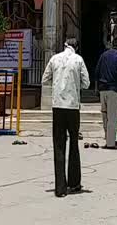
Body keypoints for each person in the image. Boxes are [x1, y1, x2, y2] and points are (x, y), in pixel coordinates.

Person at [41, 38, 90, 197]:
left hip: (58, 107)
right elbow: (86, 83)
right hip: (72, 106)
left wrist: (57, 85)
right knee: (74, 143)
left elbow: (44, 79)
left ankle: (60, 188)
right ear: (76, 47)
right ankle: (74, 182)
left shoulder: (54, 58)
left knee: (59, 145)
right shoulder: (78, 59)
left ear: (65, 46)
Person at [95, 38, 117, 149]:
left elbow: (97, 72)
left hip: (102, 89)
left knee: (105, 115)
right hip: (114, 90)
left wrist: (96, 88)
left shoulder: (103, 55)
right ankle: (110, 143)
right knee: (112, 118)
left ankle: (108, 139)